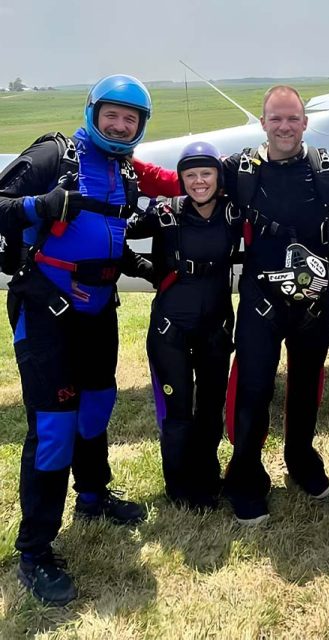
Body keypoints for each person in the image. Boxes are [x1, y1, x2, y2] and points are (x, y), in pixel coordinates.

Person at [133, 84, 329, 524]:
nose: (285, 127)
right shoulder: (239, 170)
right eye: (276, 119)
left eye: (293, 119)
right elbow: (182, 180)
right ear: (263, 123)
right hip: (261, 303)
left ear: (304, 123)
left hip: (313, 302)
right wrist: (122, 161)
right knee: (254, 390)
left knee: (307, 387)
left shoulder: (328, 169)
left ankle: (302, 461)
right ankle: (246, 477)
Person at [0, 74, 153, 605]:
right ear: (92, 112)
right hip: (46, 313)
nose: (119, 124)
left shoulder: (121, 173)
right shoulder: (53, 155)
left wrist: (145, 265)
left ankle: (92, 495)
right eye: (112, 114)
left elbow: (106, 237)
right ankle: (35, 550)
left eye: (130, 119)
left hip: (97, 310)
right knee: (55, 427)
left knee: (97, 407)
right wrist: (38, 206)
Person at [127, 141, 239, 511]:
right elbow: (115, 234)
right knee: (179, 412)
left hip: (215, 328)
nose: (199, 181)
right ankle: (178, 486)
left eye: (206, 173)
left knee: (209, 409)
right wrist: (145, 270)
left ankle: (207, 479)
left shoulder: (234, 213)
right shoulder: (164, 213)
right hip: (169, 331)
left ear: (218, 177)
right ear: (181, 179)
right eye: (190, 175)